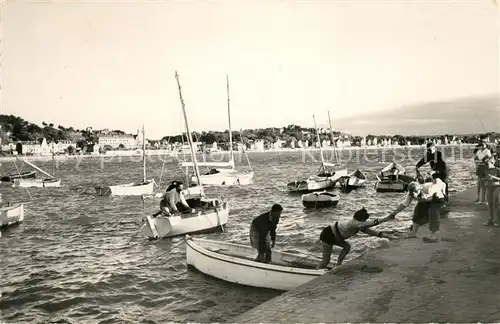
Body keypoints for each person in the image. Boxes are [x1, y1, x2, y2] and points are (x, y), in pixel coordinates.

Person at [316, 207, 396, 269]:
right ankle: (317, 271)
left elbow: (368, 231)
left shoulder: (358, 224)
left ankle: (338, 265)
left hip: (336, 236)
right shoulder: (354, 223)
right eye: (364, 220)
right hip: (328, 234)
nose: (365, 222)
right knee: (326, 260)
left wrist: (382, 235)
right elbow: (372, 223)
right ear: (361, 219)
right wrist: (387, 218)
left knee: (347, 247)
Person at [482, 156, 500, 227]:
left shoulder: (497, 170)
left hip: (496, 187)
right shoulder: (485, 170)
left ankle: (498, 220)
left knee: (496, 204)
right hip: (488, 187)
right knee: (489, 204)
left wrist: (493, 177)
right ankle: (490, 220)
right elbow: (482, 178)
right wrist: (486, 178)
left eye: (488, 163)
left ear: (492, 162)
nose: (487, 164)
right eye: (486, 163)